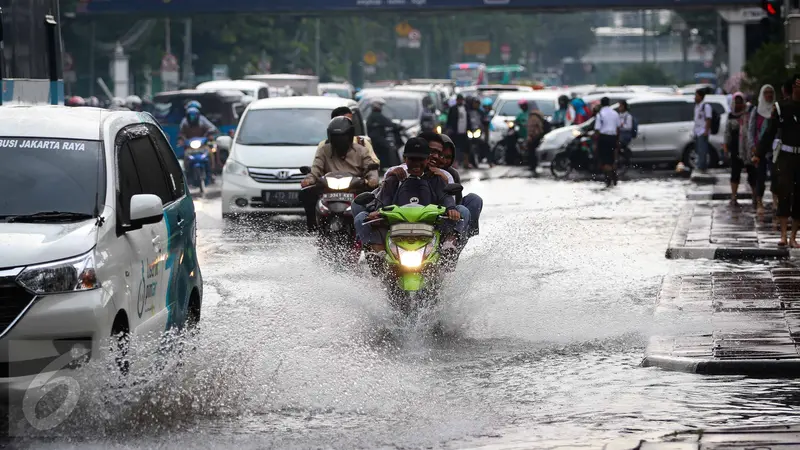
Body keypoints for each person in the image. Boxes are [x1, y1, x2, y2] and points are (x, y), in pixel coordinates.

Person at [354, 137, 467, 258]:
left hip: (430, 227)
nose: (416, 164)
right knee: (361, 218)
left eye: (421, 159)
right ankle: (378, 252)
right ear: (404, 159)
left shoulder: (437, 178)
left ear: (428, 159)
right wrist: (377, 212)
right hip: (396, 227)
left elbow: (446, 197)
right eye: (412, 159)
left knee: (463, 212)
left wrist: (451, 209)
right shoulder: (394, 176)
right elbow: (383, 200)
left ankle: (448, 246)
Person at [300, 116, 379, 232]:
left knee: (374, 200)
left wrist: (371, 180)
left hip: (355, 189)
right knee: (305, 193)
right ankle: (313, 226)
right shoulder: (324, 150)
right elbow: (316, 169)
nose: (339, 140)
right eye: (336, 137)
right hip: (329, 189)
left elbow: (370, 168)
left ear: (350, 135)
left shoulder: (362, 150)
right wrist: (309, 180)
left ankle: (370, 232)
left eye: (342, 136)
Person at [753, 74, 800, 247]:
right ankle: (783, 235)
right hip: (785, 157)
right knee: (784, 193)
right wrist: (758, 153)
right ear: (793, 87)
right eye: (797, 85)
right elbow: (769, 133)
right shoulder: (781, 107)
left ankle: (794, 236)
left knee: (799, 197)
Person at [437, 134, 483, 237]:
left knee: (474, 200)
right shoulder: (423, 169)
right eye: (441, 156)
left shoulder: (452, 174)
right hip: (432, 213)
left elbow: (456, 199)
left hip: (451, 212)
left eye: (448, 157)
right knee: (463, 210)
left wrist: (453, 210)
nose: (444, 160)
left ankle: (462, 235)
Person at [748, 84, 777, 213]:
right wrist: (753, 147)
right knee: (760, 176)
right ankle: (760, 202)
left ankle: (776, 201)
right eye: (766, 93)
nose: (769, 95)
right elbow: (751, 130)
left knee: (776, 176)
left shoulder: (776, 110)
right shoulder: (756, 110)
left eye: (771, 92)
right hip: (759, 150)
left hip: (774, 149)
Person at [724, 92, 756, 206]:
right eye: (736, 102)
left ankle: (755, 196)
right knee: (735, 173)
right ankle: (734, 196)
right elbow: (727, 132)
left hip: (748, 148)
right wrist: (726, 147)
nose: (738, 105)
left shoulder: (750, 113)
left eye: (740, 102)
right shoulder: (731, 115)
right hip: (735, 148)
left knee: (752, 172)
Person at [367, 98, 403, 169]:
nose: (381, 107)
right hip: (376, 139)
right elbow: (387, 123)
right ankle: (389, 166)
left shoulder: (375, 115)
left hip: (378, 137)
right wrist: (397, 126)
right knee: (389, 148)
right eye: (380, 105)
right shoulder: (376, 115)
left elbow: (384, 123)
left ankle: (384, 165)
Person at [593, 97, 621, 187]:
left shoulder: (600, 114)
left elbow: (597, 130)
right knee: (612, 158)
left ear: (601, 104)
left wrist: (596, 142)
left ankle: (609, 179)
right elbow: (618, 128)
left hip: (603, 138)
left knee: (605, 161)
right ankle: (613, 174)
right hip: (613, 138)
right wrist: (617, 140)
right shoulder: (615, 113)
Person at [445, 94, 472, 169]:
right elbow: (449, 120)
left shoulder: (466, 108)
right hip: (455, 132)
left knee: (466, 147)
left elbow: (468, 119)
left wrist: (470, 129)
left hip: (465, 131)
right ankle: (455, 162)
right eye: (459, 100)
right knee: (455, 148)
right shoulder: (453, 109)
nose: (460, 101)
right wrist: (448, 129)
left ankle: (466, 162)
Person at [694, 89, 713, 173]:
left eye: (696, 96)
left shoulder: (706, 106)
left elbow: (708, 119)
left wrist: (706, 130)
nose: (695, 97)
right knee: (699, 150)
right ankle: (700, 165)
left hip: (703, 131)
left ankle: (702, 166)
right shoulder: (697, 106)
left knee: (703, 150)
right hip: (697, 131)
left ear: (701, 97)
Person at [525, 104, 548, 171]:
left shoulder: (533, 117)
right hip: (539, 135)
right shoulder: (539, 115)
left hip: (534, 136)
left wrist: (530, 136)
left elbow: (531, 128)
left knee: (531, 151)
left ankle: (533, 165)